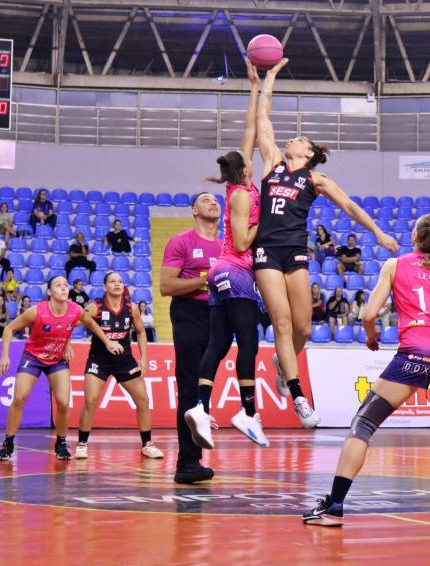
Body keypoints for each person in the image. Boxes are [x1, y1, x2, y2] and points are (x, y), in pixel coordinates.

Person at [303, 215, 430, 527]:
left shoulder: (396, 265)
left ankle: (333, 505)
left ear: (415, 238)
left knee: (364, 422)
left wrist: (371, 336)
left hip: (418, 348)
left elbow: (370, 314)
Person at [252, 58, 398, 428]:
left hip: (295, 252)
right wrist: (268, 79)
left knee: (302, 329)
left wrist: (378, 233)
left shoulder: (315, 179)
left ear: (308, 153)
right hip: (267, 250)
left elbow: (348, 205)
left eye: (299, 139)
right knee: (283, 325)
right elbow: (262, 122)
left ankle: (281, 366)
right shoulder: (271, 165)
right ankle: (299, 397)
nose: (292, 138)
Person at [186, 71, 271, 450]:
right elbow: (241, 241)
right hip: (235, 271)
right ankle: (248, 413)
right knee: (248, 343)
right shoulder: (241, 196)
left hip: (219, 276)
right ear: (244, 170)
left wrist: (255, 87)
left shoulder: (242, 182)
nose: (253, 158)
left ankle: (201, 409)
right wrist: (267, 221)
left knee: (217, 346)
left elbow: (251, 130)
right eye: (248, 160)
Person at [0, 275, 123, 462]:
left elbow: (92, 324)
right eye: (58, 285)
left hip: (57, 359)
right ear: (49, 292)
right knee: (19, 398)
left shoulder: (75, 310)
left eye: (65, 285)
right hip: (33, 356)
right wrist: (4, 355)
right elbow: (9, 329)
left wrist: (108, 341)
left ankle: (61, 442)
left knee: (63, 402)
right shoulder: (36, 311)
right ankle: (8, 443)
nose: (63, 288)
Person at [160, 192, 222, 484]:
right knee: (189, 385)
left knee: (204, 386)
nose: (214, 202)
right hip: (189, 313)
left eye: (216, 200)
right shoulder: (181, 241)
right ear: (194, 210)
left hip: (217, 314)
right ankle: (186, 463)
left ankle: (194, 460)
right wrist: (203, 279)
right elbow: (166, 285)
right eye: (206, 200)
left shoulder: (227, 246)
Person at [76, 272, 161, 459]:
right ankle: (82, 443)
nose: (117, 284)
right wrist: (66, 345)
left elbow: (140, 333)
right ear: (105, 287)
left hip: (124, 359)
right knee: (90, 401)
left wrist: (144, 358)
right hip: (99, 360)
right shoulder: (95, 307)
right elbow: (77, 320)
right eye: (112, 281)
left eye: (120, 281)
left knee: (143, 400)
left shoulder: (132, 308)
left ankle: (147, 444)